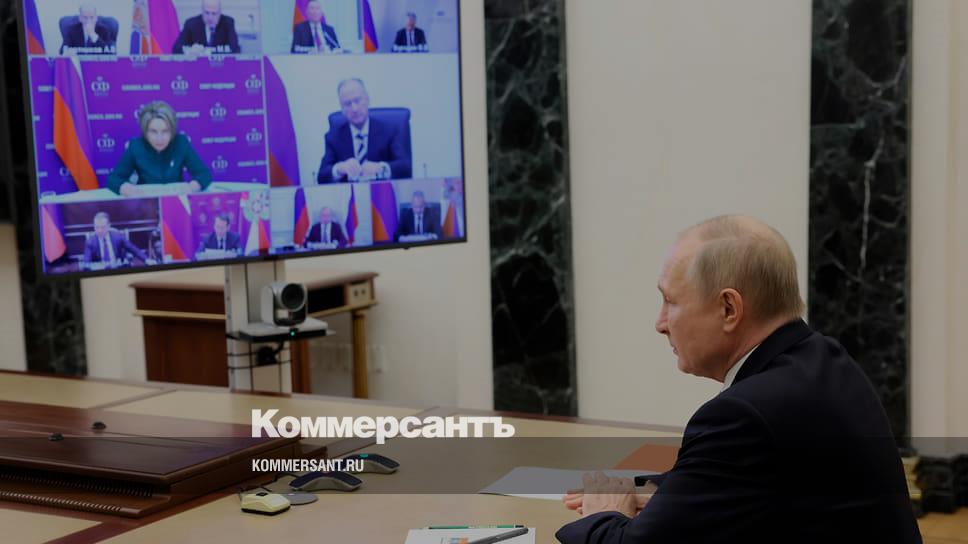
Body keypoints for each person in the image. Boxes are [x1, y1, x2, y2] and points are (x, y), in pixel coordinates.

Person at [556, 215, 922, 544]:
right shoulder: (823, 358)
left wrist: (602, 513)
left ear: (729, 309)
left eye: (671, 302)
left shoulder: (744, 414)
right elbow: (738, 476)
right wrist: (654, 491)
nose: (660, 323)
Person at [107, 101, 212, 196]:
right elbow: (113, 179)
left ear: (172, 130)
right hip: (146, 202)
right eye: (153, 132)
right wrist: (126, 189)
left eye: (165, 131)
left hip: (177, 201)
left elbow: (204, 174)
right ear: (145, 131)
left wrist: (191, 187)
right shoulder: (136, 146)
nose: (159, 139)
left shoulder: (181, 143)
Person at [317, 78, 411, 183]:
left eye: (357, 100)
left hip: (382, 191)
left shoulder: (389, 130)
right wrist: (339, 169)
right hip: (350, 193)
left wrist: (381, 168)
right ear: (342, 108)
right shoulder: (334, 137)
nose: (354, 109)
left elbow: (406, 168)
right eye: (347, 104)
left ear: (367, 100)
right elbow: (322, 176)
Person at [172, 0, 240, 55]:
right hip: (197, 66)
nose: (210, 18)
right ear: (202, 11)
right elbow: (176, 49)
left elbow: (235, 50)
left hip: (220, 66)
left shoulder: (228, 23)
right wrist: (189, 51)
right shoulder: (191, 24)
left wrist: (207, 52)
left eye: (214, 13)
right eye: (207, 13)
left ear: (220, 13)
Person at [82, 212, 148, 266]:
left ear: (108, 226)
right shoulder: (90, 241)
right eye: (97, 227)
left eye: (102, 227)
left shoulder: (118, 236)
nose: (99, 230)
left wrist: (147, 260)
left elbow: (133, 249)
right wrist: (86, 266)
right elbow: (86, 260)